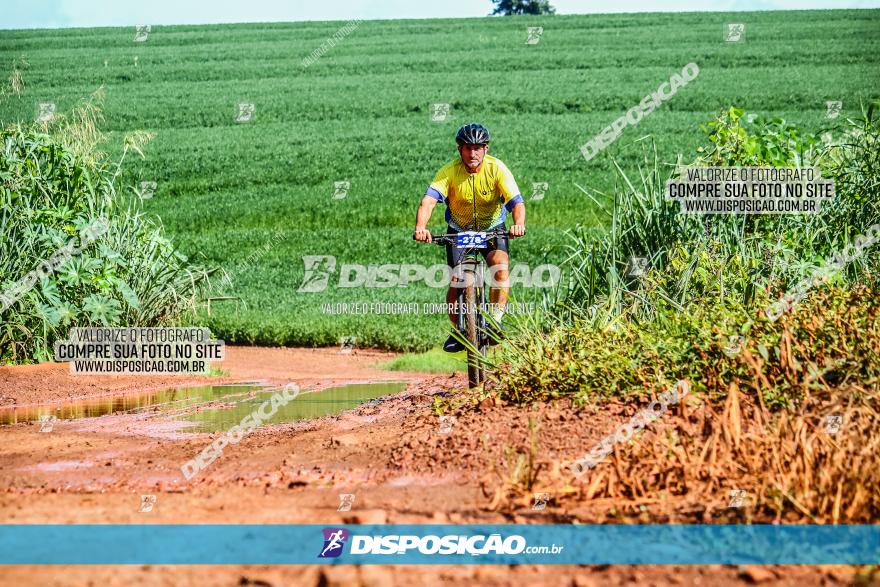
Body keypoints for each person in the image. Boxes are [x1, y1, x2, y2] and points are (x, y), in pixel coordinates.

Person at [413, 123, 526, 352]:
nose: (472, 154)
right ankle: (458, 330)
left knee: (501, 269)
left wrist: (519, 224)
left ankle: (495, 320)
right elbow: (429, 201)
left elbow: (517, 203)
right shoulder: (449, 172)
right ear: (459, 150)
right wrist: (421, 227)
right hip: (459, 229)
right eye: (467, 148)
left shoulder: (497, 169)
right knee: (456, 283)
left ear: (486, 149)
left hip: (492, 228)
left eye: (477, 148)